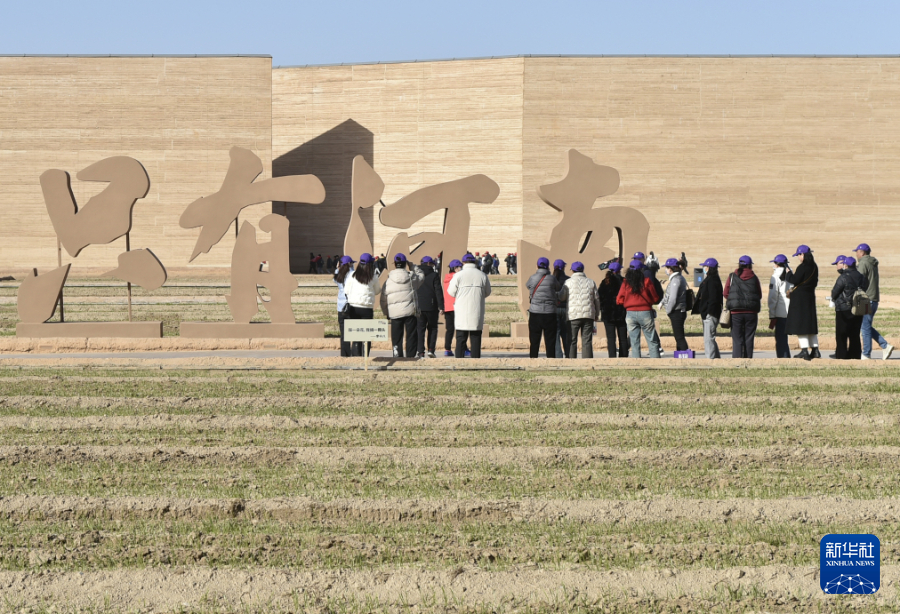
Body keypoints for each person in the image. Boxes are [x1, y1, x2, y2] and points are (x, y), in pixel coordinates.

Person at [380, 253, 424, 357]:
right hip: (409, 311)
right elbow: (422, 276)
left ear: (394, 264)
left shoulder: (388, 281)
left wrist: (386, 312)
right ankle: (410, 356)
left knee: (396, 337)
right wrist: (412, 265)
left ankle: (397, 354)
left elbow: (383, 299)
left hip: (394, 313)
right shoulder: (412, 278)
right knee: (411, 336)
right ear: (405, 264)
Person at [448, 253, 491, 358]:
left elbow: (451, 292)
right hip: (477, 310)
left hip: (462, 311)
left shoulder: (458, 275)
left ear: (463, 263)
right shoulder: (482, 275)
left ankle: (459, 360)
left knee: (461, 338)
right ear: (474, 262)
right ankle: (475, 361)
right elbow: (488, 292)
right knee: (475, 338)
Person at [855, 243, 894, 360]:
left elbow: (859, 280)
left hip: (866, 299)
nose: (856, 254)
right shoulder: (872, 263)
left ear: (862, 252)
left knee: (865, 328)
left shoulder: (863, 263)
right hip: (874, 298)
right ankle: (884, 345)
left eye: (857, 251)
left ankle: (866, 354)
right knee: (865, 326)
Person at [616, 260, 661, 358]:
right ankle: (656, 363)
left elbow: (619, 299)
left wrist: (628, 302)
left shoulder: (626, 283)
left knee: (634, 341)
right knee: (652, 340)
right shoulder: (647, 281)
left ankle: (636, 364)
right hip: (645, 313)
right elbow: (655, 297)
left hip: (630, 313)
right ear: (641, 270)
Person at [342, 253, 383, 357]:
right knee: (367, 336)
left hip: (353, 307)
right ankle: (365, 357)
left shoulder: (352, 275)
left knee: (356, 335)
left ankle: (356, 358)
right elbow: (378, 291)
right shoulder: (373, 276)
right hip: (367, 308)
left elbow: (346, 290)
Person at [723, 255, 762, 359]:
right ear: (750, 265)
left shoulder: (732, 276)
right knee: (749, 338)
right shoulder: (754, 277)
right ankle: (748, 360)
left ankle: (737, 360)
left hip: (736, 312)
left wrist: (735, 300)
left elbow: (726, 293)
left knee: (737, 339)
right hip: (751, 312)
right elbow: (759, 295)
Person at [785, 245, 820, 360]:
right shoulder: (814, 266)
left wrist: (788, 273)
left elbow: (794, 280)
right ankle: (815, 350)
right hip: (810, 297)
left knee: (800, 325)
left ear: (803, 255)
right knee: (810, 325)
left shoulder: (802, 267)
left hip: (800, 299)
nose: (799, 257)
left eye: (799, 255)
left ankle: (804, 350)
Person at [558, 261, 599, 358]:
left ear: (572, 270)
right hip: (588, 315)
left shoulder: (568, 282)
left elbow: (562, 297)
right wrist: (597, 313)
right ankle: (587, 362)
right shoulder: (591, 282)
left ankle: (572, 361)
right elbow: (596, 299)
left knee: (572, 340)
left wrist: (557, 294)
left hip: (573, 315)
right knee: (587, 340)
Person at [831, 256, 869, 360]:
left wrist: (834, 299)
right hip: (858, 308)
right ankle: (855, 356)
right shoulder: (861, 277)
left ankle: (842, 356)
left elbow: (835, 292)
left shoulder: (843, 277)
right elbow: (866, 286)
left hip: (843, 309)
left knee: (841, 335)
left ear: (845, 265)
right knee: (855, 334)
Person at [526, 257, 562, 358]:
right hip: (550, 312)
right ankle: (550, 360)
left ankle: (533, 359)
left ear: (537, 265)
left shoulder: (532, 278)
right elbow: (558, 287)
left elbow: (528, 286)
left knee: (534, 340)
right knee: (550, 341)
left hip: (535, 312)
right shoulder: (552, 278)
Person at [598, 262, 629, 358]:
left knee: (611, 338)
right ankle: (623, 357)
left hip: (608, 314)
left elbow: (600, 297)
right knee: (623, 338)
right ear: (619, 270)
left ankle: (612, 357)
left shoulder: (604, 282)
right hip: (622, 313)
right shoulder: (624, 281)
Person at [415, 256, 444, 358]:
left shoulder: (416, 275)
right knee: (432, 328)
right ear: (429, 264)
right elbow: (438, 291)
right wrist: (441, 306)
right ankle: (431, 349)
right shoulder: (434, 275)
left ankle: (420, 351)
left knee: (420, 329)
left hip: (418, 306)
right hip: (432, 306)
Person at [695, 258, 723, 359]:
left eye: (705, 266)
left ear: (709, 268)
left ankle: (710, 360)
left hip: (710, 314)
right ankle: (717, 359)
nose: (704, 268)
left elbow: (713, 298)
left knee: (708, 339)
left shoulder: (712, 280)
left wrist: (708, 312)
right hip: (709, 313)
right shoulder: (711, 279)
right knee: (710, 338)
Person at [661, 257, 689, 352]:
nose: (666, 270)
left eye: (667, 268)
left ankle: (685, 356)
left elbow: (673, 298)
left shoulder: (676, 280)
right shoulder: (677, 278)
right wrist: (662, 302)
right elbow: (668, 295)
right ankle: (680, 355)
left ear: (671, 269)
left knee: (679, 337)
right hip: (678, 311)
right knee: (678, 336)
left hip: (677, 311)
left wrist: (668, 310)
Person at [767, 254, 792, 359]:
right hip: (789, 311)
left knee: (780, 339)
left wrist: (772, 314)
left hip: (779, 312)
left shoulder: (775, 277)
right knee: (784, 339)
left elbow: (773, 297)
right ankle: (786, 357)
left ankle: (784, 359)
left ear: (776, 264)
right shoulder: (790, 275)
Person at [442, 259, 468, 357]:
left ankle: (447, 349)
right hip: (457, 306)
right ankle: (463, 348)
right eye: (460, 267)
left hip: (447, 307)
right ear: (456, 268)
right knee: (461, 329)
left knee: (449, 330)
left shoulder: (446, 279)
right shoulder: (458, 278)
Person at [333, 255, 354, 357]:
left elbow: (335, 278)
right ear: (349, 264)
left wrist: (337, 268)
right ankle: (355, 353)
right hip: (351, 306)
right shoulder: (352, 274)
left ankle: (344, 354)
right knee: (354, 331)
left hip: (341, 307)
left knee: (343, 333)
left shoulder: (338, 276)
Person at [552, 259, 571, 359]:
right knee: (566, 334)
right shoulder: (568, 280)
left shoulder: (551, 280)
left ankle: (558, 356)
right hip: (566, 309)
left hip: (554, 309)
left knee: (556, 334)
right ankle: (568, 355)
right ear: (564, 267)